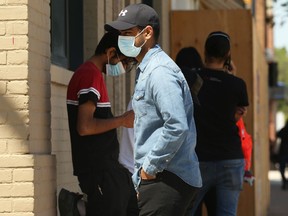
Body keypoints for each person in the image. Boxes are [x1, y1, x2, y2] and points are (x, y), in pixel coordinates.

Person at [105, 3, 202, 216]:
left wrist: (149, 168)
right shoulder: (148, 69)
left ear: (147, 32)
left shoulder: (160, 72)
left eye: (128, 33)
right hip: (162, 177)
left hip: (167, 177)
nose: (122, 39)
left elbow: (176, 126)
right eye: (121, 34)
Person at [66, 31, 139, 216]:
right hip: (100, 172)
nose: (123, 67)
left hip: (110, 171)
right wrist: (122, 120)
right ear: (111, 52)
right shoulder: (89, 75)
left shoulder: (92, 75)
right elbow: (85, 126)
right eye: (123, 61)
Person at [190, 31, 249, 216]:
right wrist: (231, 76)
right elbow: (235, 116)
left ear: (205, 51)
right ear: (228, 55)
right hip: (230, 158)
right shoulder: (237, 84)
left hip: (199, 159)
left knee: (187, 210)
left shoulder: (192, 79)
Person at [276, 119, 288, 190]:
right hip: (284, 152)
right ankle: (285, 181)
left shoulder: (284, 130)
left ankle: (284, 181)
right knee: (282, 168)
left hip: (283, 151)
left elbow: (277, 135)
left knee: (282, 168)